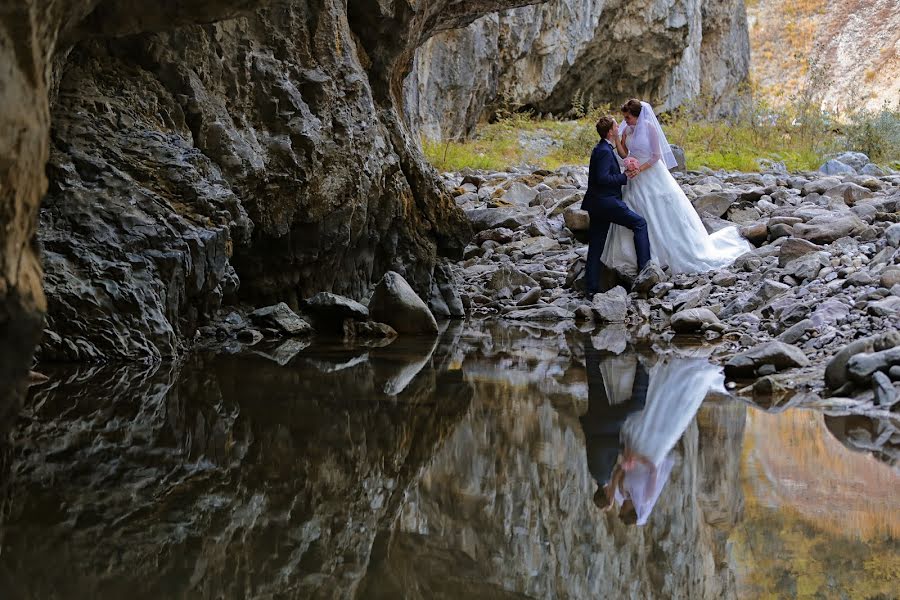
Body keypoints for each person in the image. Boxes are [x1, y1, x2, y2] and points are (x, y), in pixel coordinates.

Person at [601, 99, 752, 277]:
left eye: (629, 117)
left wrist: (639, 169)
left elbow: (656, 156)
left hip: (651, 173)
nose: (626, 120)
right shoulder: (627, 130)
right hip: (634, 177)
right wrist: (622, 148)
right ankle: (633, 258)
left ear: (638, 115)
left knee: (660, 211)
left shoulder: (649, 128)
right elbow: (625, 153)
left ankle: (666, 255)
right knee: (634, 210)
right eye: (624, 117)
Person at [603, 354, 727, 526]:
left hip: (631, 446)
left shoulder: (622, 494)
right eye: (624, 508)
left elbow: (619, 471)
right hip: (649, 450)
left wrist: (624, 464)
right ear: (633, 510)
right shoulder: (646, 497)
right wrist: (638, 458)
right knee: (661, 410)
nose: (622, 505)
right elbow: (654, 471)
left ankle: (642, 365)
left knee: (635, 416)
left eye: (621, 507)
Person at [581, 115, 651, 297]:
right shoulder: (604, 151)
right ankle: (645, 270)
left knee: (596, 246)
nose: (618, 127)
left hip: (596, 203)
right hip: (607, 203)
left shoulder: (602, 148)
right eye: (615, 125)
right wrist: (625, 176)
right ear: (611, 131)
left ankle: (591, 289)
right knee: (640, 224)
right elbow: (602, 178)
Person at [579, 335, 649, 511]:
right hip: (596, 422)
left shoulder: (601, 474)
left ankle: (644, 359)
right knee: (595, 381)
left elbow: (599, 447)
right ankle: (588, 339)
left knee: (638, 404)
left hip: (606, 424)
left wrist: (621, 449)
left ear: (609, 497)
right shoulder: (599, 475)